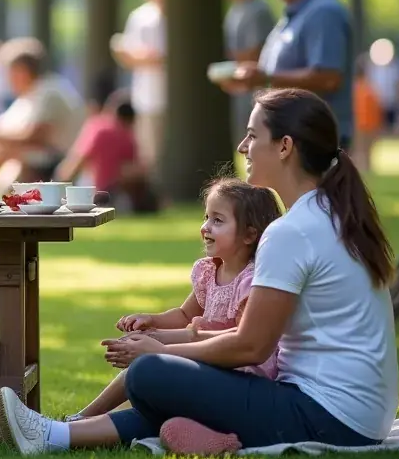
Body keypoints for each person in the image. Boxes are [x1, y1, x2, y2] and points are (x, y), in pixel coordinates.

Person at [0, 88, 398, 458]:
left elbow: (250, 347)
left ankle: (59, 433)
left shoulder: (292, 232)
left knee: (150, 373)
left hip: (328, 417)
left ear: (285, 146)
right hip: (356, 417)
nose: (242, 147)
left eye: (252, 136)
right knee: (174, 384)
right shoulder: (331, 214)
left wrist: (160, 351)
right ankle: (53, 436)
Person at [64, 178, 280, 421]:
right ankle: (84, 418)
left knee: (151, 363)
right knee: (147, 366)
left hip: (238, 371)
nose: (205, 227)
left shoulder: (250, 281)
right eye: (206, 217)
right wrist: (152, 320)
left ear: (249, 235)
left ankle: (83, 419)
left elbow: (239, 337)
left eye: (217, 220)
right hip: (208, 358)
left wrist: (163, 341)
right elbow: (185, 314)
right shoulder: (209, 272)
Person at [217, 0, 355, 150]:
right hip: (297, 142)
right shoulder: (297, 15)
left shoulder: (324, 12)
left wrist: (265, 79)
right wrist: (254, 78)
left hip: (316, 145)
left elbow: (328, 78)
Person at [0, 38, 85, 189]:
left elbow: (34, 136)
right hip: (41, 155)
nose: (7, 79)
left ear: (22, 71)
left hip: (59, 161)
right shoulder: (30, 94)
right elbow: (0, 127)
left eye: (9, 72)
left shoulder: (49, 91)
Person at [56, 89, 156, 215]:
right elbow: (134, 169)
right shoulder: (128, 135)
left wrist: (59, 187)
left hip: (96, 192)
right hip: (117, 194)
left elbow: (75, 163)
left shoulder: (97, 127)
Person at [110, 0, 166, 177]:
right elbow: (128, 55)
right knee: (149, 155)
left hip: (172, 98)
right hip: (147, 98)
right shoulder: (140, 17)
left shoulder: (180, 16)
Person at [220, 0, 275, 145]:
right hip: (238, 89)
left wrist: (226, 60)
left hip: (254, 89)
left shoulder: (258, 10)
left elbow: (256, 52)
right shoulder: (234, 10)